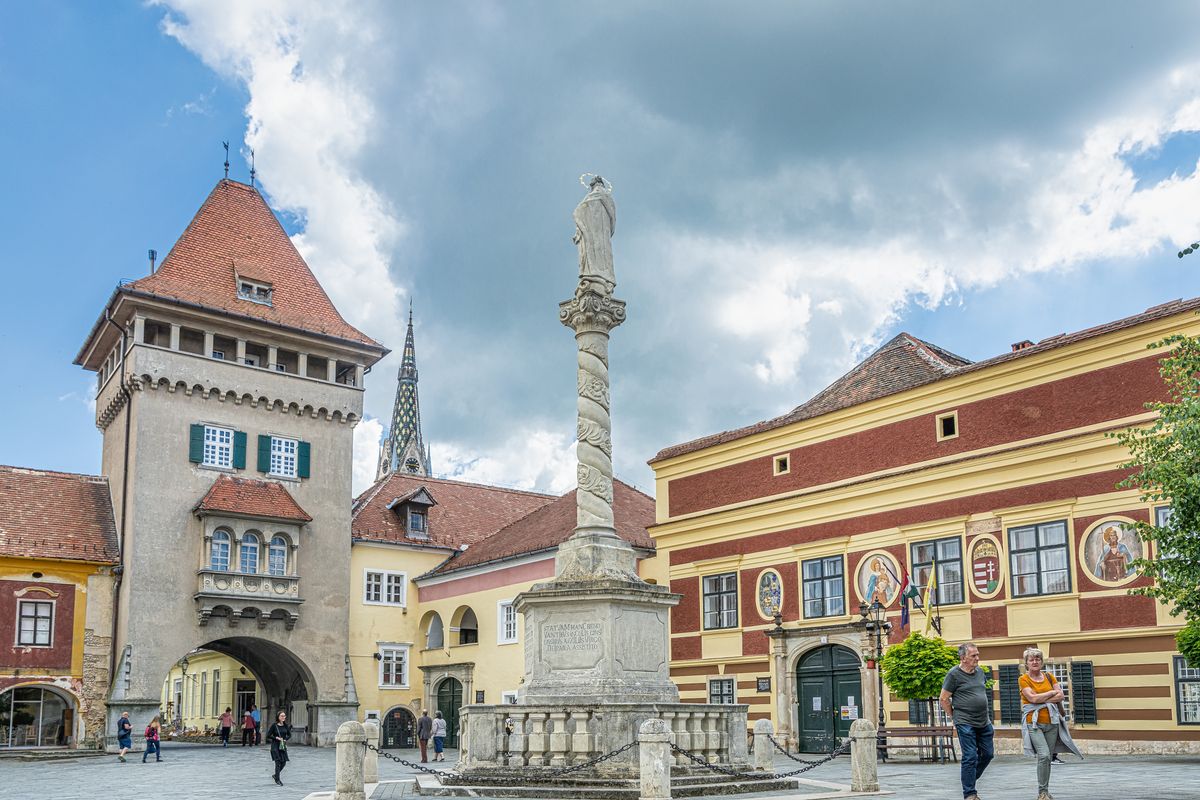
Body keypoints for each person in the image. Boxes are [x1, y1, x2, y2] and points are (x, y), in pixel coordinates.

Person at [1019, 647, 1081, 800]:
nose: (1035, 662)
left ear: (1041, 661)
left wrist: (1044, 697)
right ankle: (1042, 792)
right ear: (1026, 663)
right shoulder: (1023, 679)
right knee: (1045, 755)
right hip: (1033, 723)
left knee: (1047, 758)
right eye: (1031, 659)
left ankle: (1044, 792)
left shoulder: (1049, 676)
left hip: (1052, 721)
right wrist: (1051, 693)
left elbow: (1061, 696)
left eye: (1038, 659)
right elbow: (1032, 699)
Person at [940, 642, 992, 800]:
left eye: (977, 654)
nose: (978, 657)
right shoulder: (953, 674)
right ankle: (970, 793)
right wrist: (954, 717)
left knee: (988, 754)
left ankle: (968, 779)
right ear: (963, 658)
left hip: (984, 721)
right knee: (970, 756)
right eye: (973, 655)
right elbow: (944, 698)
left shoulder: (980, 672)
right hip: (965, 721)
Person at [264, 710, 292, 786]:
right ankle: (278, 779)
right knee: (278, 762)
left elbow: (289, 735)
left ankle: (276, 775)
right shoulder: (274, 725)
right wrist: (276, 738)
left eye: (284, 716)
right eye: (282, 716)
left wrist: (285, 739)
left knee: (284, 762)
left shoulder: (286, 725)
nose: (283, 717)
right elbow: (268, 735)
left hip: (282, 745)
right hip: (275, 746)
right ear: (278, 717)